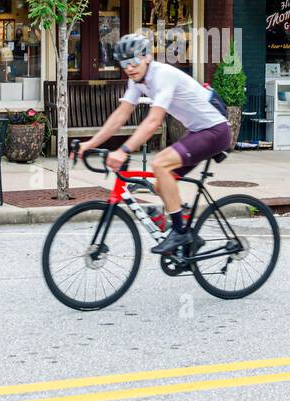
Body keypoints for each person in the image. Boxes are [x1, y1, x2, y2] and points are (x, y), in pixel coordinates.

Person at [76, 33, 231, 255]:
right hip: (198, 131)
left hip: (215, 131)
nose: (129, 68)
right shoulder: (136, 81)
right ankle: (186, 227)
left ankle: (180, 232)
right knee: (161, 184)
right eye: (124, 63)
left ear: (147, 57)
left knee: (159, 163)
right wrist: (89, 144)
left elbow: (154, 120)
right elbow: (121, 115)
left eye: (134, 61)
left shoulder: (163, 75)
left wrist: (123, 150)